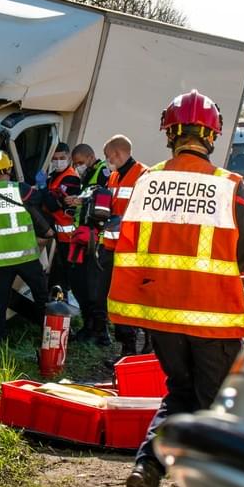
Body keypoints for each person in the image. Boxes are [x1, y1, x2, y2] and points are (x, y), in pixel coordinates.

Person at [107, 90, 244, 487]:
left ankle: (148, 467)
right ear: (211, 134)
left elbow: (132, 244)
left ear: (170, 132)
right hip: (213, 320)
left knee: (180, 394)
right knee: (217, 405)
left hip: (161, 318)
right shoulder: (229, 186)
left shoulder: (147, 182)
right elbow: (242, 256)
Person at [0, 148, 51, 345]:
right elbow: (37, 201)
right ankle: (49, 334)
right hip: (25, 256)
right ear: (9, 167)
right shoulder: (20, 189)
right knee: (42, 295)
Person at [99, 134, 147, 356]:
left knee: (135, 301)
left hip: (133, 251)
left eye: (109, 157)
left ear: (117, 154)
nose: (108, 162)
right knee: (117, 301)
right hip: (112, 248)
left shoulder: (144, 176)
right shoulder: (114, 177)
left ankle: (144, 348)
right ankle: (126, 351)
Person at [66, 143, 110, 344]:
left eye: (80, 163)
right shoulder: (86, 175)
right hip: (83, 237)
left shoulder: (103, 172)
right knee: (78, 283)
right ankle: (89, 326)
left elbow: (103, 198)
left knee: (93, 287)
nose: (77, 167)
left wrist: (81, 200)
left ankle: (99, 332)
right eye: (75, 164)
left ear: (91, 157)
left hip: (95, 239)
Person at [42, 142, 81, 298]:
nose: (58, 161)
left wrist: (42, 189)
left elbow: (52, 205)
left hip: (68, 235)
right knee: (57, 271)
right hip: (58, 232)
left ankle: (64, 304)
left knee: (64, 273)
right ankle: (54, 301)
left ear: (68, 157)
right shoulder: (54, 176)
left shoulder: (71, 178)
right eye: (55, 158)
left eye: (62, 158)